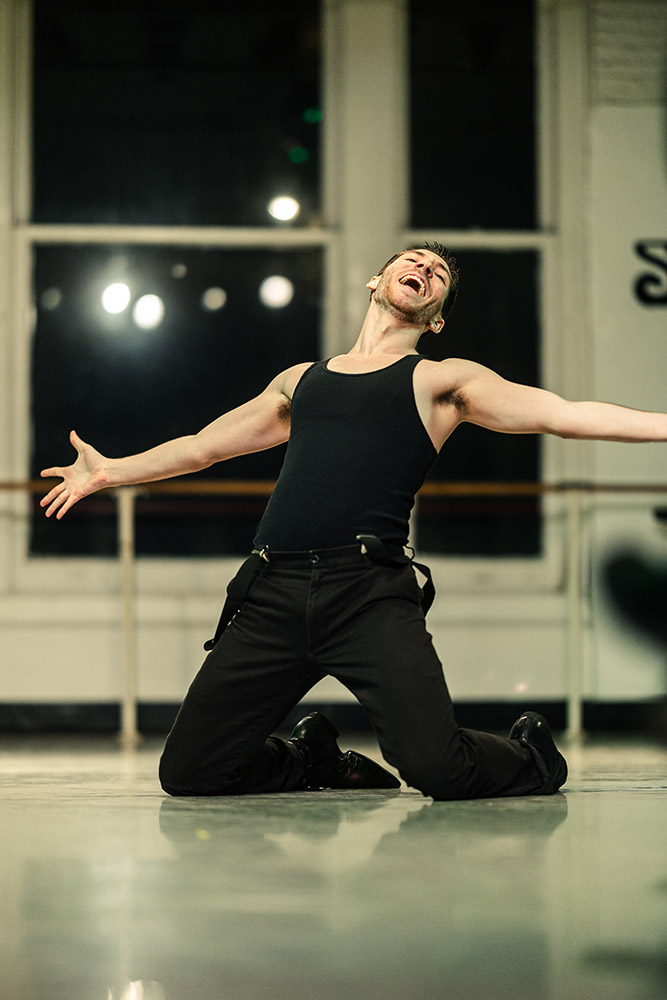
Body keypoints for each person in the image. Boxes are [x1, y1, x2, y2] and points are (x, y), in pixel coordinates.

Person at [40, 242, 667, 800]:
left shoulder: (442, 382)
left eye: (438, 272)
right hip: (272, 593)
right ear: (378, 281)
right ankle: (308, 757)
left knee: (438, 769)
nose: (423, 268)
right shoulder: (301, 382)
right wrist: (110, 472)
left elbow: (563, 413)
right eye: (413, 260)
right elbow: (204, 445)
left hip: (366, 594)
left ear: (438, 314)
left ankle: (531, 758)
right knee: (190, 772)